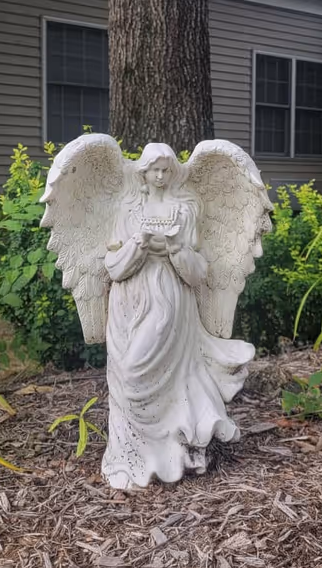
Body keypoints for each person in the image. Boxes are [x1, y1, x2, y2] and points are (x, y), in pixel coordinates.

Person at [101, 143, 254, 488]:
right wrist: (137, 246)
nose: (159, 175)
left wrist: (175, 249)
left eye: (165, 169)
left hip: (170, 301)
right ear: (142, 172)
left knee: (151, 375)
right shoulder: (128, 209)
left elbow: (198, 272)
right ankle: (130, 455)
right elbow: (112, 267)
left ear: (172, 172)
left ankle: (171, 451)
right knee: (125, 374)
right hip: (128, 303)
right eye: (153, 169)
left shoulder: (184, 211)